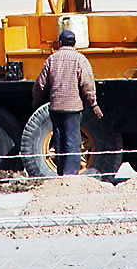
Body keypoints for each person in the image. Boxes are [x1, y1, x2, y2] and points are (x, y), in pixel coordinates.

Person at [31, 30, 103, 176]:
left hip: (55, 107)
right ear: (74, 43)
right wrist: (93, 103)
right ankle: (70, 175)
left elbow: (40, 85)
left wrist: (36, 101)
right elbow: (87, 84)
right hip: (73, 108)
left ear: (59, 43)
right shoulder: (80, 59)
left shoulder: (52, 59)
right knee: (72, 141)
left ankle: (61, 173)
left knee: (59, 140)